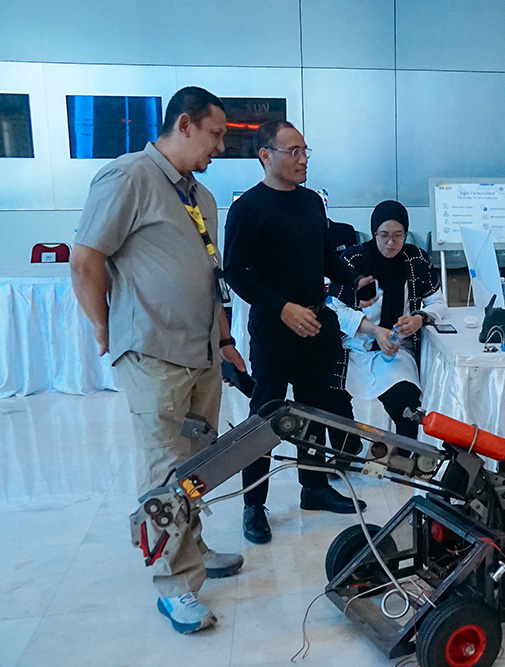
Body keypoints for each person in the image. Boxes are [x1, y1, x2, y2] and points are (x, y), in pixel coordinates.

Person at [71, 86, 247, 634]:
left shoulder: (201, 196)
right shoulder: (129, 177)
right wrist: (104, 326)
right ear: (185, 124)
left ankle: (193, 550)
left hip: (202, 353)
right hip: (154, 354)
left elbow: (211, 276)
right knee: (164, 469)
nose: (220, 146)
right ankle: (174, 586)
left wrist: (224, 341)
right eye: (215, 134)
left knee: (196, 461)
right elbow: (85, 258)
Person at [224, 120, 373, 546]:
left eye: (305, 151)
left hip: (316, 323)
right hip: (274, 326)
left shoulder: (311, 203)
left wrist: (355, 280)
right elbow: (236, 272)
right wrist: (282, 308)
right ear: (265, 155)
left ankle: (315, 485)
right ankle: (254, 504)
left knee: (314, 408)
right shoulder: (248, 208)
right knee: (267, 414)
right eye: (293, 151)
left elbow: (326, 257)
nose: (303, 159)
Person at [330, 200, 445, 438]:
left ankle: (403, 456)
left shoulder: (416, 260)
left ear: (406, 233)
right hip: (355, 348)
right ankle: (348, 447)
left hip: (396, 351)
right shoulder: (354, 259)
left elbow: (438, 303)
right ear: (374, 233)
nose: (391, 243)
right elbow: (334, 308)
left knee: (407, 407)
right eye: (383, 235)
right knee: (333, 397)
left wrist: (420, 318)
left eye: (398, 235)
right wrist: (374, 330)